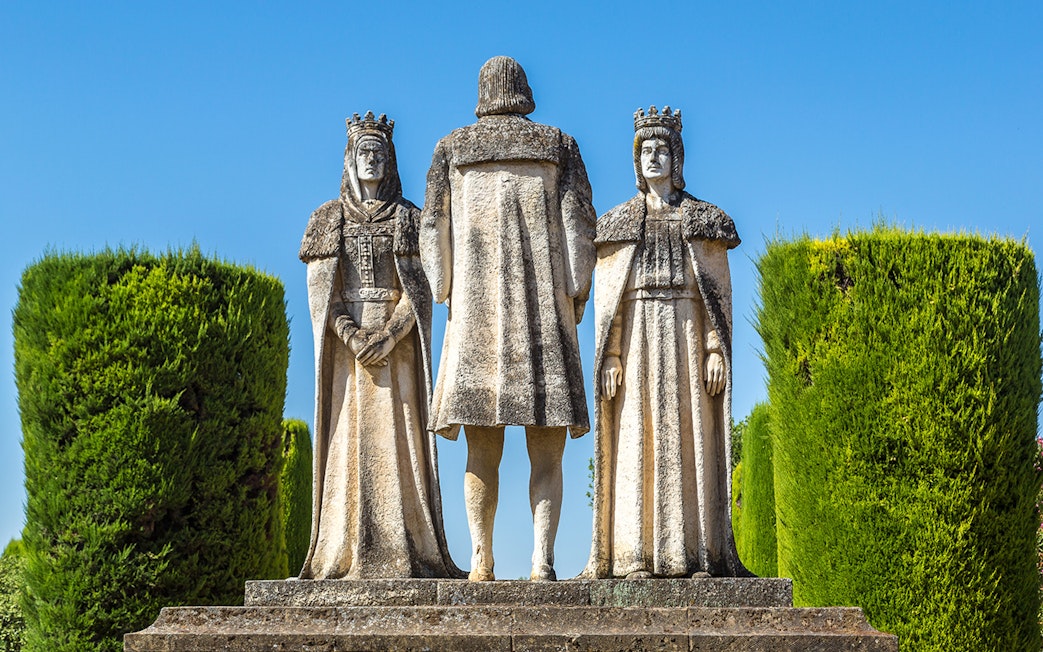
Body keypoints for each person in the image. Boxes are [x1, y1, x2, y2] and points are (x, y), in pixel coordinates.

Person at [420, 56, 596, 582]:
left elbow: (433, 227)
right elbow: (579, 225)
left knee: (481, 449)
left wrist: (446, 290)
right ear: (524, 90)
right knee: (549, 450)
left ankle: (482, 557)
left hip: (476, 318)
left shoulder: (452, 148)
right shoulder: (557, 145)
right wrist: (577, 290)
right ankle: (543, 560)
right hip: (544, 314)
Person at [583, 106, 747, 579]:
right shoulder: (617, 225)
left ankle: (695, 553)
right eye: (645, 151)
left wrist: (716, 347)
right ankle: (634, 554)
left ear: (677, 157)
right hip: (636, 338)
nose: (653, 158)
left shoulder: (704, 221)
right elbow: (612, 299)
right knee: (636, 440)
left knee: (689, 442)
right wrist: (611, 353)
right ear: (636, 161)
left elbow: (714, 297)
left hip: (686, 337)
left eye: (661, 150)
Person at [298, 111, 460, 579]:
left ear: (389, 160)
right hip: (347, 359)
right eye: (363, 152)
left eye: (378, 152)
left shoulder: (410, 219)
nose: (371, 160)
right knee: (344, 447)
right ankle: (341, 548)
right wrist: (350, 334)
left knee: (402, 444)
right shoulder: (327, 220)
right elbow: (321, 295)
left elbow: (422, 288)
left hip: (398, 353)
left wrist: (390, 334)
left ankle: (408, 546)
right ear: (349, 160)